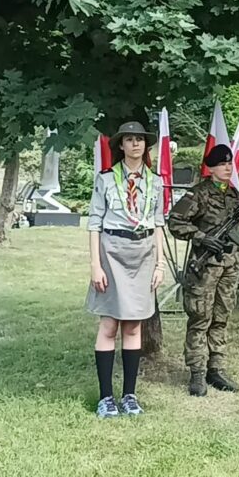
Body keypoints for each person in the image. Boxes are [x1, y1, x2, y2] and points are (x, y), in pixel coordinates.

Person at [87, 121, 166, 418]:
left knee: (134, 325)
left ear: (146, 145)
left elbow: (158, 224)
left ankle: (129, 395)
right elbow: (94, 224)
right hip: (112, 252)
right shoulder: (106, 179)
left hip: (143, 253)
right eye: (129, 140)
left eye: (140, 140)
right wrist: (95, 265)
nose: (135, 144)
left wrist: (159, 264)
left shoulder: (155, 181)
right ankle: (106, 397)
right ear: (120, 145)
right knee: (109, 325)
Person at [168, 144, 239, 396]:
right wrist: (200, 236)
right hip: (204, 268)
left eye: (229, 163)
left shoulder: (234, 195)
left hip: (229, 266)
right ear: (210, 168)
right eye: (221, 164)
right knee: (200, 318)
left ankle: (216, 368)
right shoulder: (198, 194)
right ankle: (197, 373)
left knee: (221, 317)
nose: (226, 167)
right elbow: (175, 222)